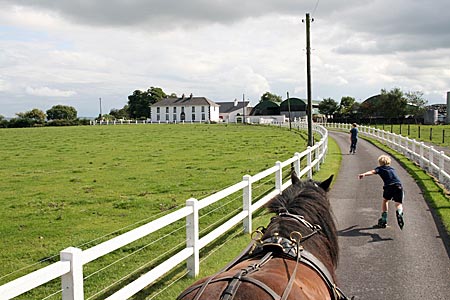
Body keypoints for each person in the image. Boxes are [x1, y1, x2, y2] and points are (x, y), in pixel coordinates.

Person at [358, 154, 404, 229]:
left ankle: (384, 219)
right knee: (398, 203)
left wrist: (364, 174)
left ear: (380, 162)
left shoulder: (380, 169)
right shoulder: (392, 169)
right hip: (398, 186)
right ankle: (399, 213)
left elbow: (372, 172)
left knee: (385, 201)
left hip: (388, 186)